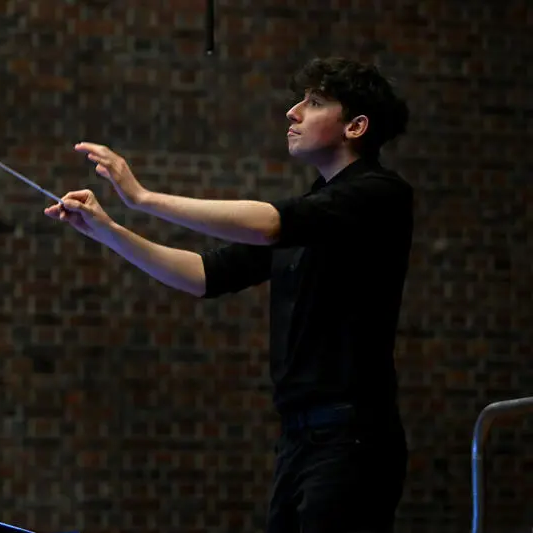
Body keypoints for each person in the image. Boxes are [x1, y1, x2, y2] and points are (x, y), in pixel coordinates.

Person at [45, 57, 413, 533]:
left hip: (352, 437)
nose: (293, 112)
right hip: (299, 439)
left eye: (315, 102)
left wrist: (143, 198)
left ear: (356, 126)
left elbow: (269, 224)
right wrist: (109, 231)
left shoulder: (379, 195)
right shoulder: (311, 210)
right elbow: (203, 275)